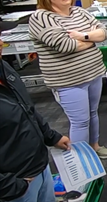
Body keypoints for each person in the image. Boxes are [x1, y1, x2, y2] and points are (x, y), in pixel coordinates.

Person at [28, 0, 107, 160]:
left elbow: (104, 33)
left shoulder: (79, 12)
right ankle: (81, 161)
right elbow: (65, 46)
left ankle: (94, 146)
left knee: (93, 114)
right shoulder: (41, 17)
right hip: (68, 81)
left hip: (93, 73)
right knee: (80, 121)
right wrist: (91, 39)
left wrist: (81, 35)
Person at [0, 38, 72, 202]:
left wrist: (50, 136)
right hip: (15, 185)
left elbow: (26, 108)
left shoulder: (4, 68)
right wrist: (11, 186)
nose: (1, 42)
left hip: (39, 167)